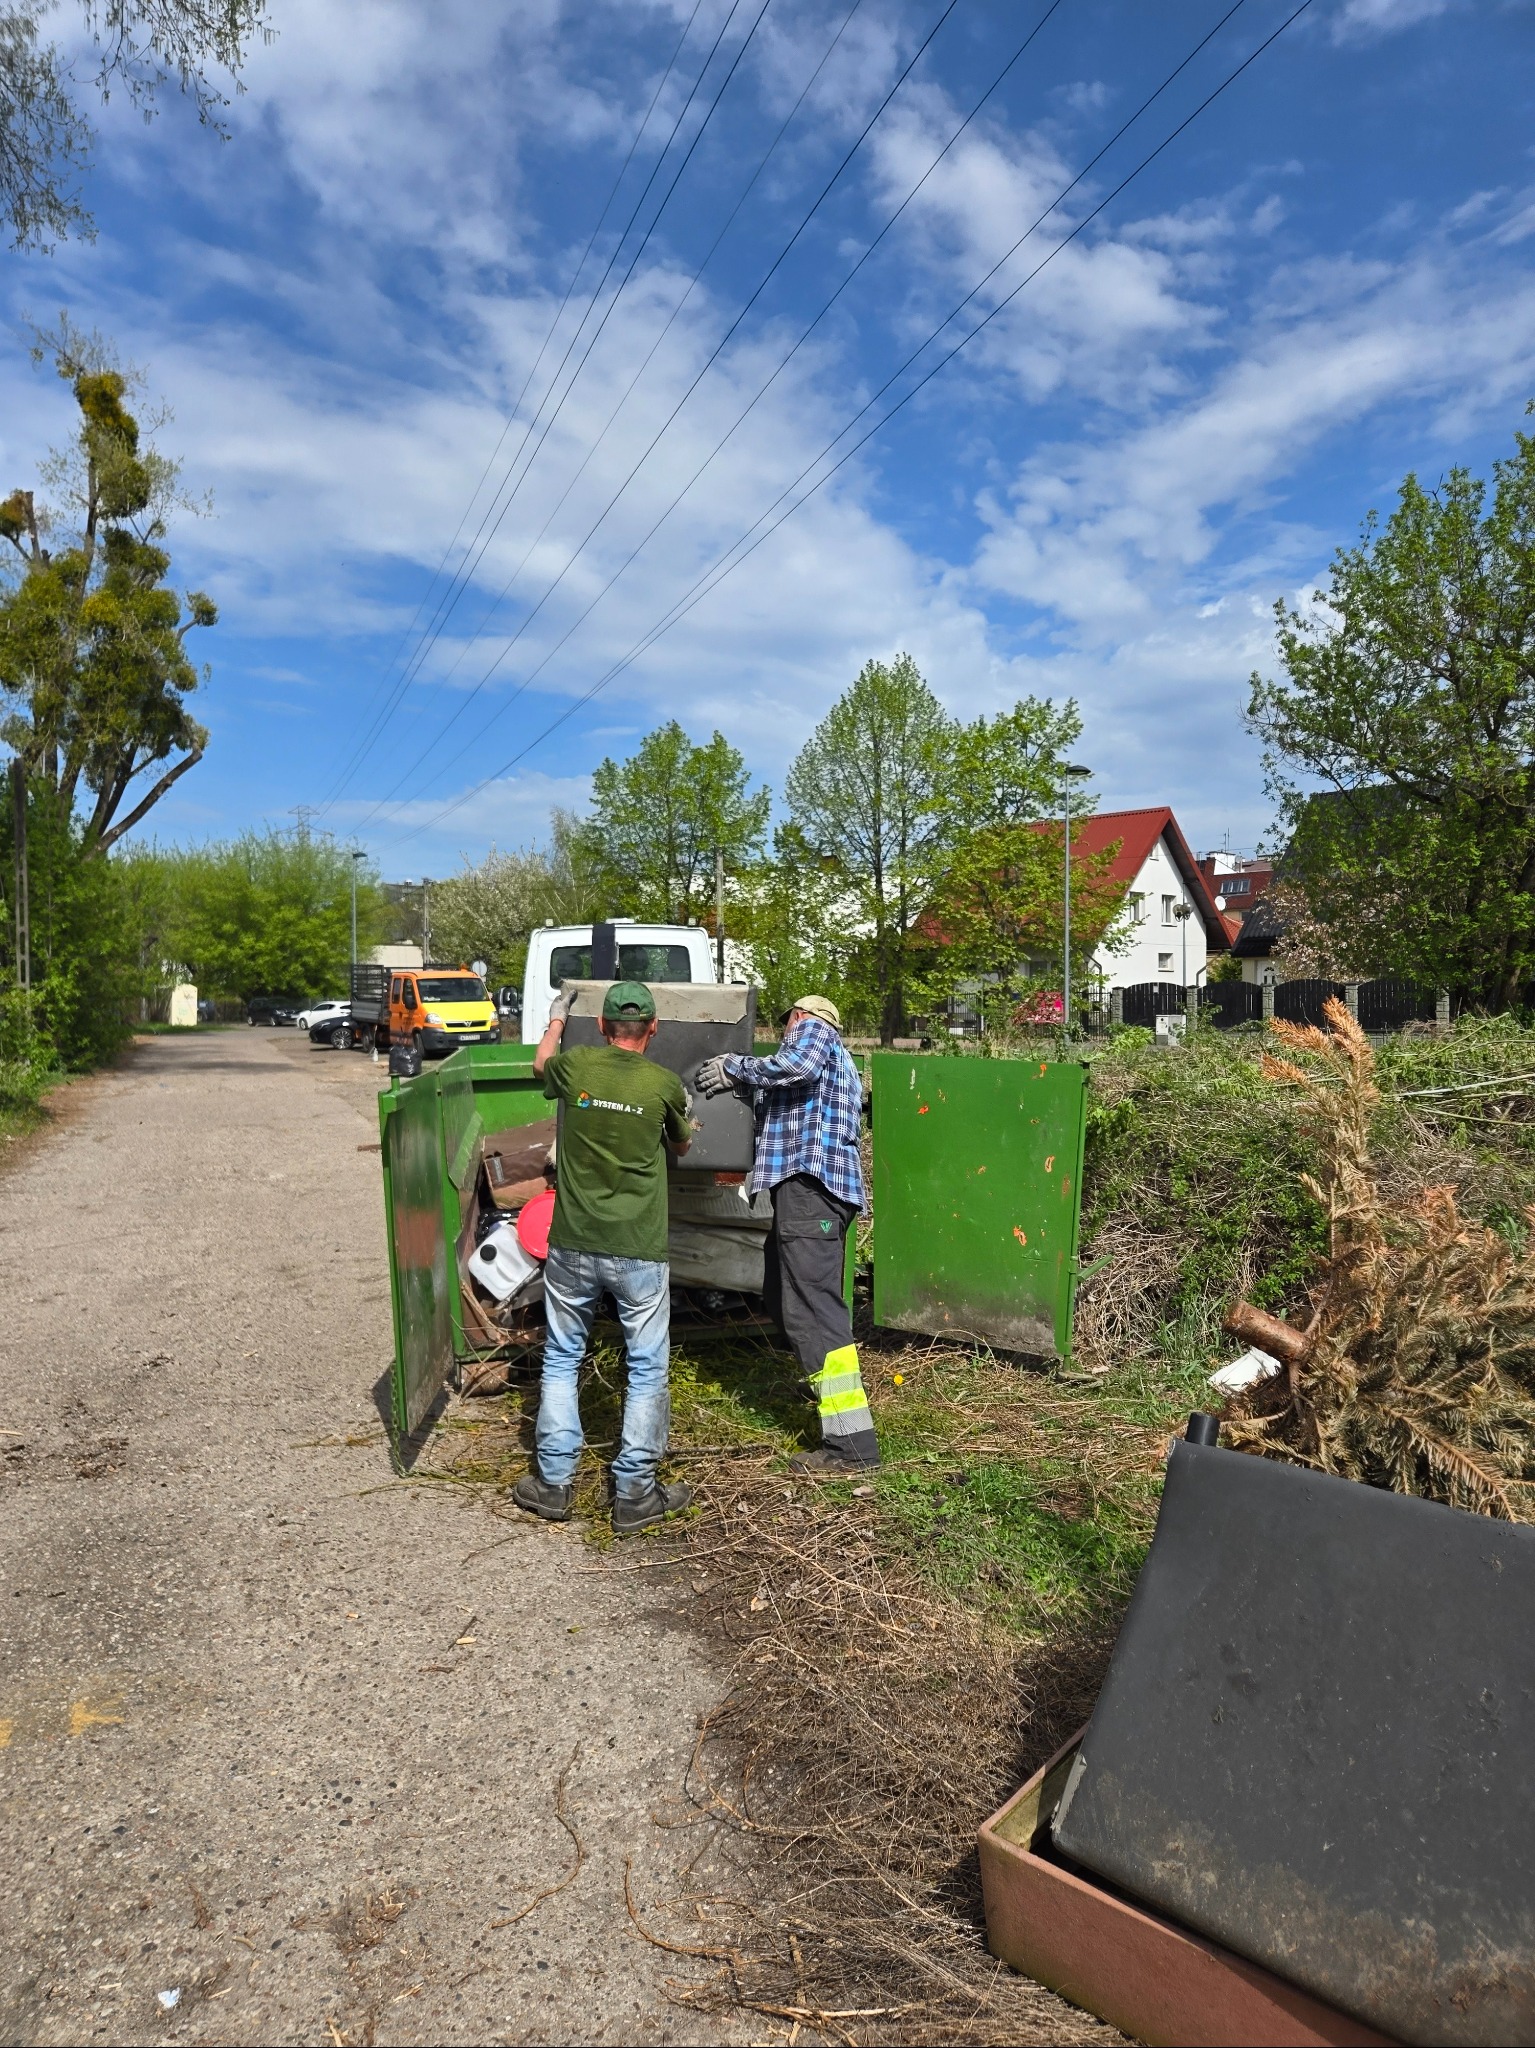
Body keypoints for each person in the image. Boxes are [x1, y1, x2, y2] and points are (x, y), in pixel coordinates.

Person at [513, 979, 694, 1536]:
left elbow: (541, 1062)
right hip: (638, 1248)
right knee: (646, 1367)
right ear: (654, 1029)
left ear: (602, 1026)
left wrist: (557, 1018)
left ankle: (553, 1482)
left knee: (563, 1355)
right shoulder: (663, 1084)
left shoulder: (576, 1069)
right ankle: (635, 1492)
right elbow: (683, 1146)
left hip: (573, 1242)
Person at [696, 995, 876, 1473]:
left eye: (785, 1027)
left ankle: (852, 1445)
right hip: (807, 1193)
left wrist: (734, 1065)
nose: (783, 1035)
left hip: (809, 1187)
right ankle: (826, 1391)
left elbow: (794, 1066)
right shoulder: (834, 1062)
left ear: (799, 1017)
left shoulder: (812, 1031)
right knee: (782, 1296)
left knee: (812, 1312)